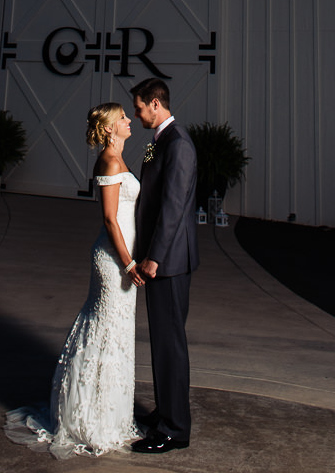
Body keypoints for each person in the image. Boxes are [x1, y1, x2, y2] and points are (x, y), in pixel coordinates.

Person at [4, 102, 144, 459]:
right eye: (124, 118)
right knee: (105, 329)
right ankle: (88, 418)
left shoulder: (120, 157)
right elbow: (111, 219)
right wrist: (129, 264)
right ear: (111, 128)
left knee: (118, 332)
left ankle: (111, 415)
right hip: (113, 261)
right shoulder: (110, 162)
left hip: (122, 258)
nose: (130, 121)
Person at [130, 76, 199, 455]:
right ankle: (168, 411)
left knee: (170, 344)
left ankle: (175, 429)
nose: (137, 114)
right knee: (163, 342)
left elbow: (173, 208)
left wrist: (153, 257)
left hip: (169, 262)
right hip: (163, 259)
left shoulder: (179, 145)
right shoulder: (159, 143)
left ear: (155, 104)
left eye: (140, 107)